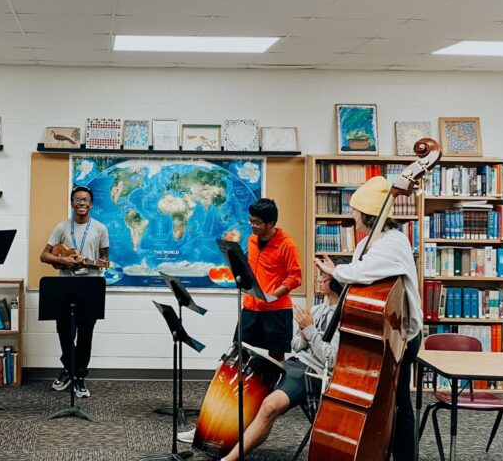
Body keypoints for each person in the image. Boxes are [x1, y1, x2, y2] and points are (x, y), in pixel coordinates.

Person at [314, 175, 423, 461]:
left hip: (400, 335)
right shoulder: (369, 243)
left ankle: (403, 457)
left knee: (398, 401)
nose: (351, 215)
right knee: (379, 399)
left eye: (354, 210)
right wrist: (336, 268)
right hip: (381, 331)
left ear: (368, 214)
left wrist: (336, 271)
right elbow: (356, 269)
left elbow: (359, 273)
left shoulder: (394, 242)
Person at [179, 271, 341, 457]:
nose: (318, 280)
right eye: (318, 276)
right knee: (246, 389)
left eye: (324, 277)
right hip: (295, 365)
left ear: (337, 281)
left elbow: (331, 359)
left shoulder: (343, 317)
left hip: (313, 374)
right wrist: (304, 335)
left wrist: (310, 330)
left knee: (269, 406)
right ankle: (209, 434)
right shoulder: (315, 310)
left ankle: (230, 458)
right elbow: (296, 346)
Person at [38, 185, 109, 398]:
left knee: (86, 334)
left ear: (91, 204)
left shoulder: (100, 229)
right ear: (72, 204)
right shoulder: (61, 227)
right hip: (65, 286)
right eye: (77, 199)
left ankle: (79, 376)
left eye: (85, 200)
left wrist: (91, 263)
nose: (81, 203)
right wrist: (63, 260)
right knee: (65, 333)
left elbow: (105, 260)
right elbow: (44, 255)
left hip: (90, 286)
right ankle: (69, 369)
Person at [239, 198, 303, 362]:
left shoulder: (287, 245)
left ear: (271, 223)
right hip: (250, 307)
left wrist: (272, 296)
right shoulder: (251, 240)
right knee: (239, 351)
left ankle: (275, 388)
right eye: (251, 221)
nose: (252, 225)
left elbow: (295, 278)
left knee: (276, 359)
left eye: (257, 222)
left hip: (276, 310)